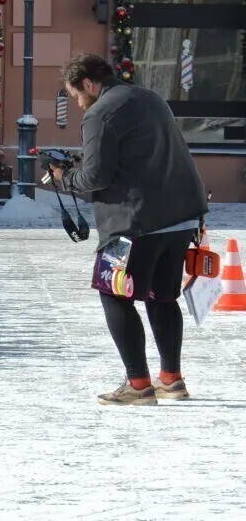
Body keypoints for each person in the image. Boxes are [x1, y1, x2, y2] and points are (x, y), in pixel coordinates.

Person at [53, 53, 209, 406]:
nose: (78, 103)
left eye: (76, 95)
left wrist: (64, 178)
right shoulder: (149, 97)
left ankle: (138, 384)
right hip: (182, 215)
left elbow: (96, 177)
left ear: (88, 83)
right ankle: (171, 380)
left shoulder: (100, 113)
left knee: (113, 294)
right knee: (162, 296)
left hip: (135, 222)